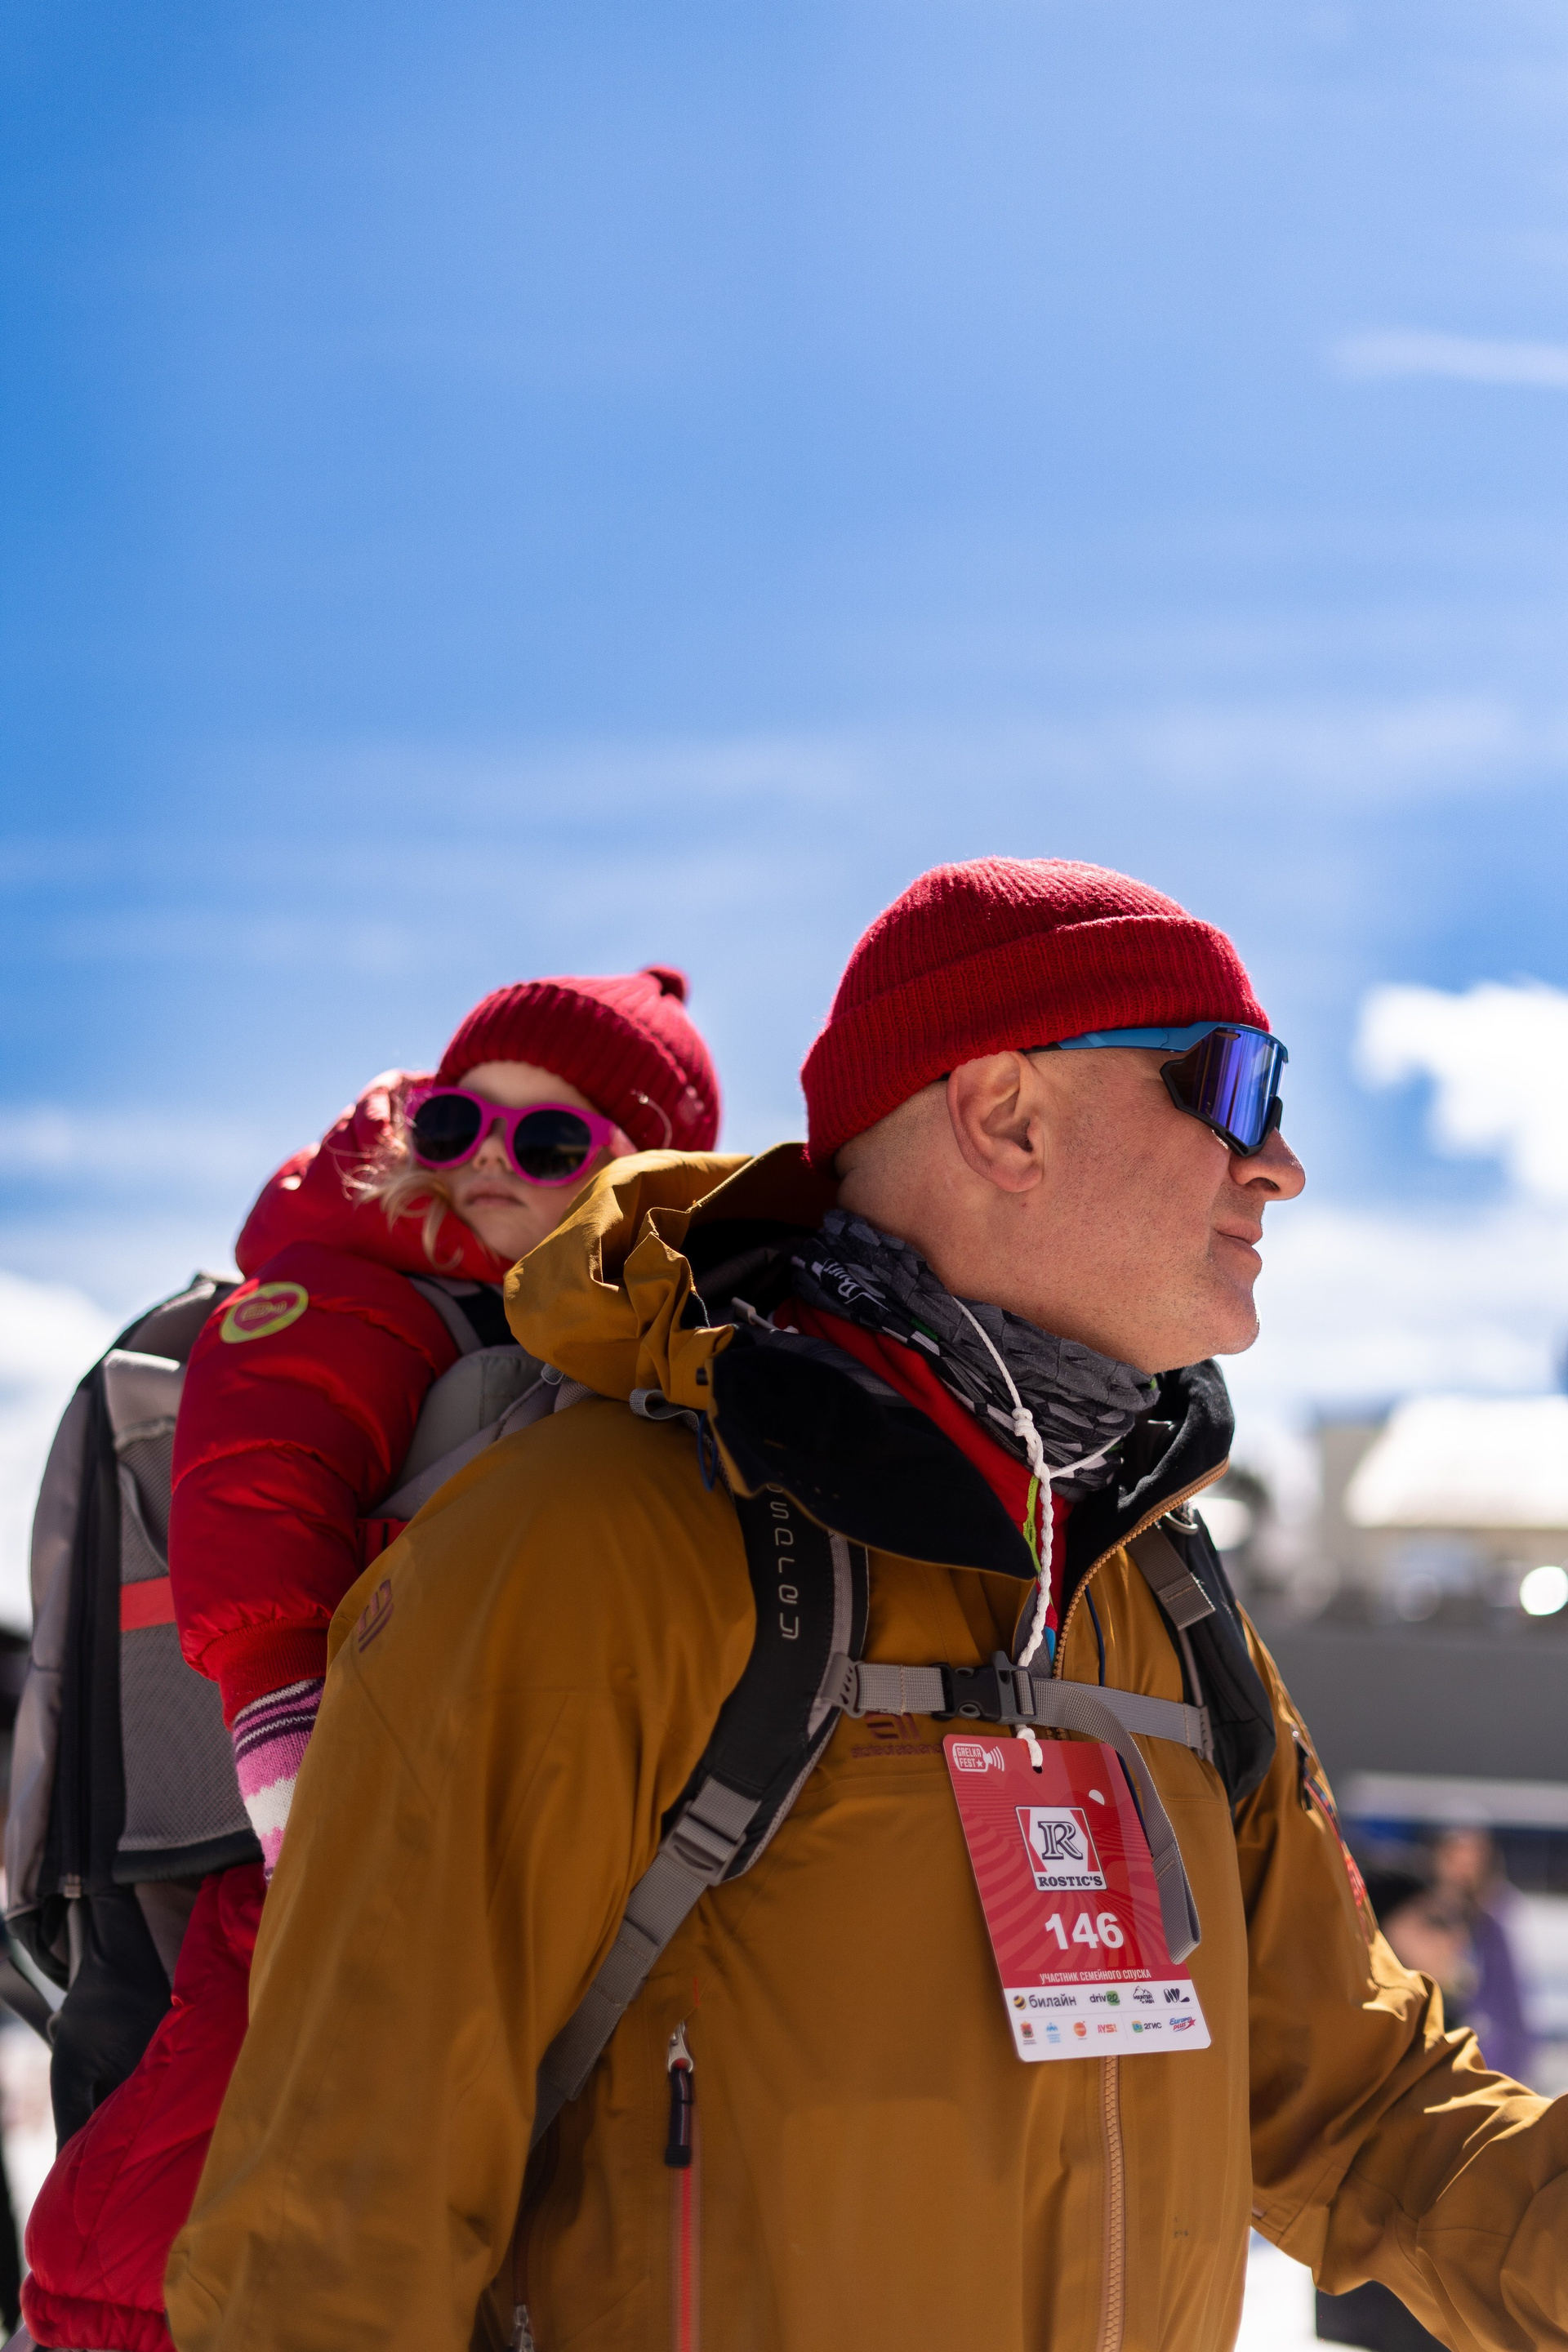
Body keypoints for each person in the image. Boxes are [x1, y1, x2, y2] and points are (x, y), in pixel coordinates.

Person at [166, 860, 1566, 2352]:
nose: (1278, 1162)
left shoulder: (1155, 1592)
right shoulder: (587, 1543)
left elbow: (1364, 2113)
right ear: (1005, 1116)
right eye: (1234, 1085)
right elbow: (333, 2243)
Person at [19, 969, 720, 2352]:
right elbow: (257, 1497)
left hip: (466, 1815)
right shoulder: (352, 1292)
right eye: (457, 1122)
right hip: (320, 1799)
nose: (489, 1163)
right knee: (238, 2117)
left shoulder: (575, 1350)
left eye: (552, 1140)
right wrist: (287, 1749)